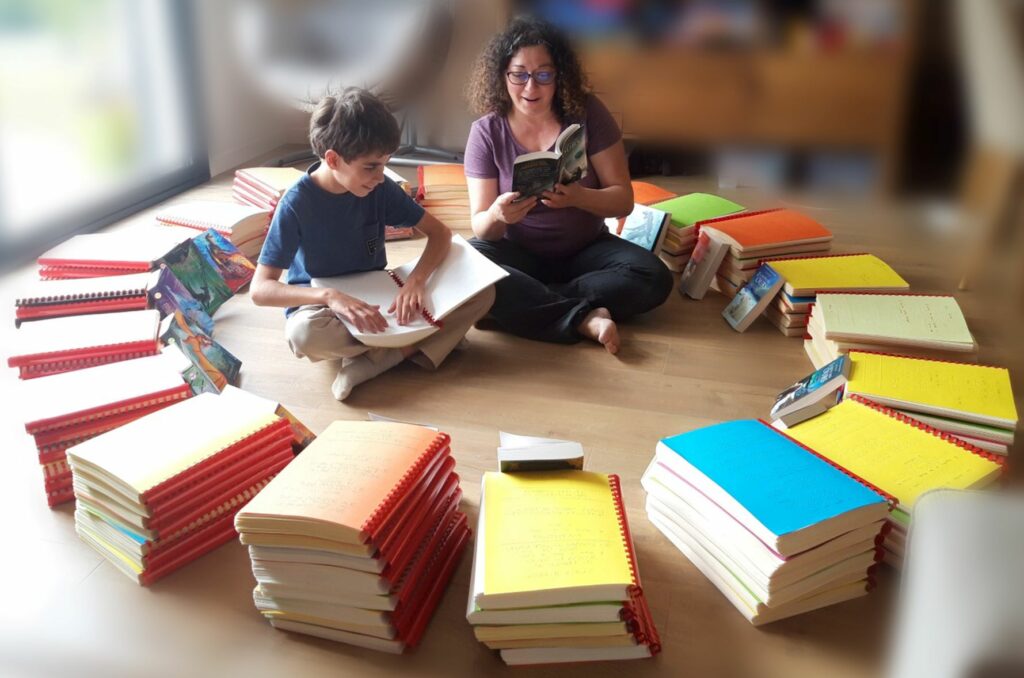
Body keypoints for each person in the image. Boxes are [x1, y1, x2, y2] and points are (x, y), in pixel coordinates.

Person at [251, 88, 495, 401]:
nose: (381, 176)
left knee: (484, 290)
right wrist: (330, 297)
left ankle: (378, 358)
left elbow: (440, 234)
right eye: (370, 166)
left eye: (384, 164)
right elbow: (261, 290)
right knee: (303, 335)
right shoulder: (296, 203)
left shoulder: (380, 188)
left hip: (383, 296)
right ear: (333, 159)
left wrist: (416, 282)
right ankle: (422, 341)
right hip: (324, 309)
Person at [464, 17, 673, 355]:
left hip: (585, 249)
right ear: (502, 75)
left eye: (544, 74)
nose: (531, 88)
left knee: (654, 277)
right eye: (519, 74)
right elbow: (481, 228)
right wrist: (499, 214)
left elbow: (623, 201)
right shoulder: (486, 132)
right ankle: (584, 317)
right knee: (467, 261)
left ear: (560, 75)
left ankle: (524, 301)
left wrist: (579, 197)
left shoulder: (588, 113)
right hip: (519, 252)